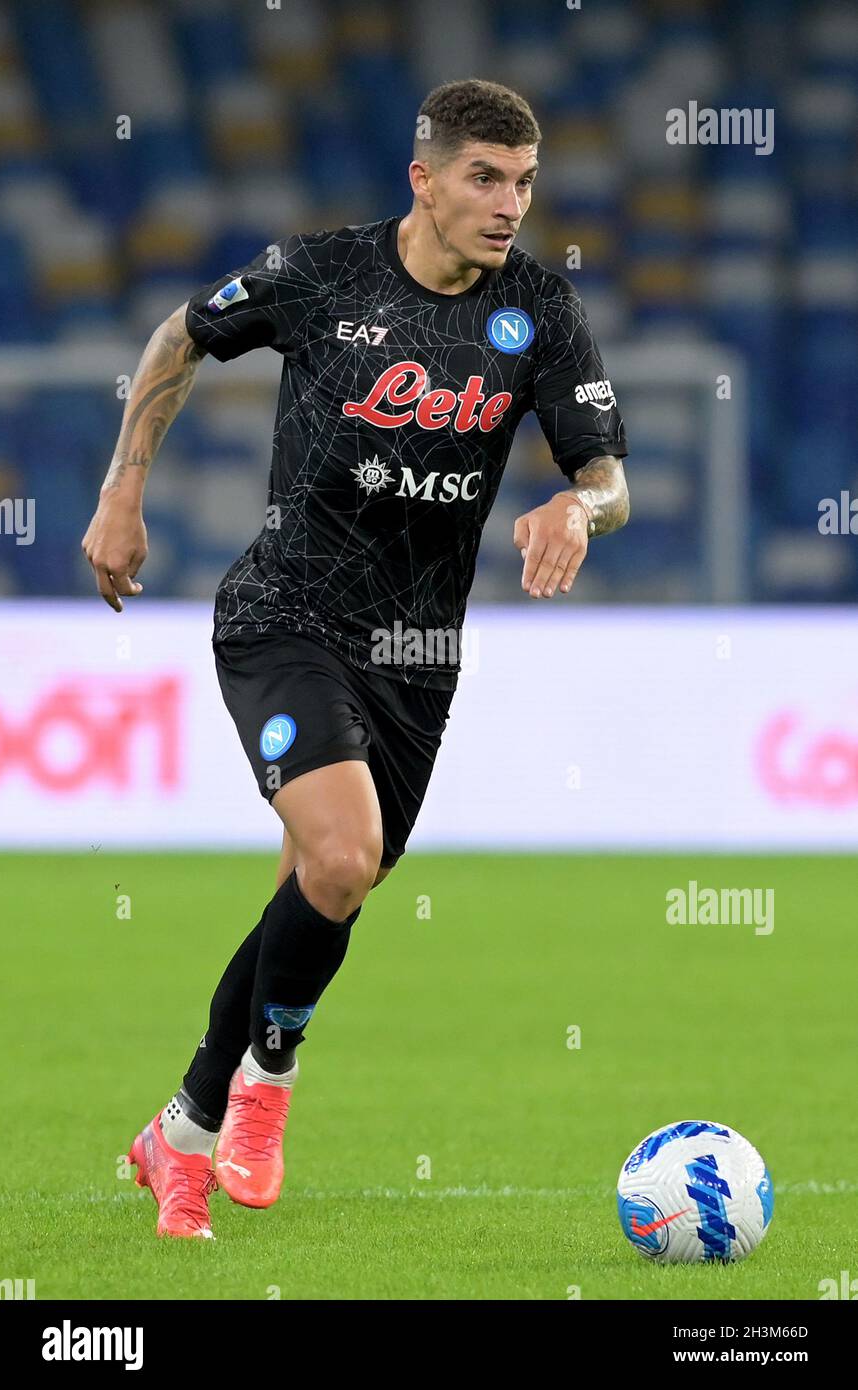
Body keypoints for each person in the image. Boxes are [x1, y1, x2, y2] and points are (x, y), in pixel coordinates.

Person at [81, 78, 629, 1239]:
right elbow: (184, 331)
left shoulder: (538, 308)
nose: (507, 204)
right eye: (483, 177)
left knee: (321, 887)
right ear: (422, 179)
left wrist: (580, 510)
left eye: (523, 182)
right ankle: (265, 1089)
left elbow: (604, 470)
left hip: (417, 655)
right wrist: (121, 491)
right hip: (284, 613)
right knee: (340, 857)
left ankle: (177, 1132)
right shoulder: (324, 273)